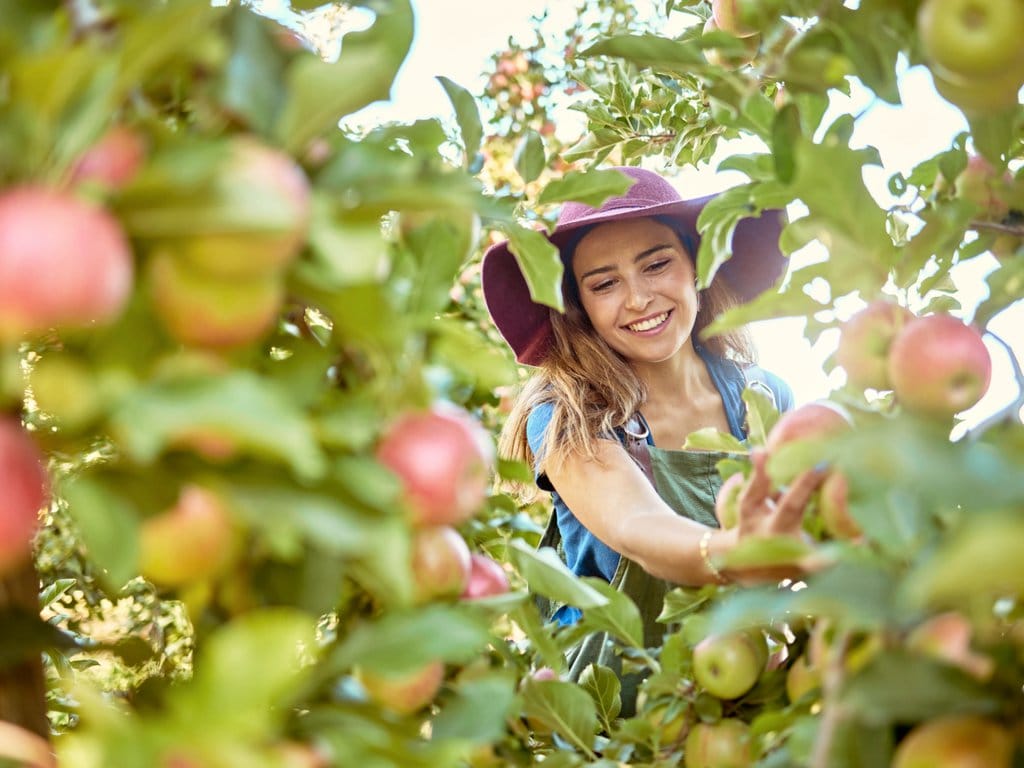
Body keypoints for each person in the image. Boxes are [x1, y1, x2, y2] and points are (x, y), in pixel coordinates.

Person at [480, 166, 824, 713]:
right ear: (580, 306)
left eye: (657, 264)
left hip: (746, 699)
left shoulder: (764, 397)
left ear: (697, 267)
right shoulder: (568, 412)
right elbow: (634, 524)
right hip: (614, 721)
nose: (638, 299)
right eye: (604, 283)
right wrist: (728, 553)